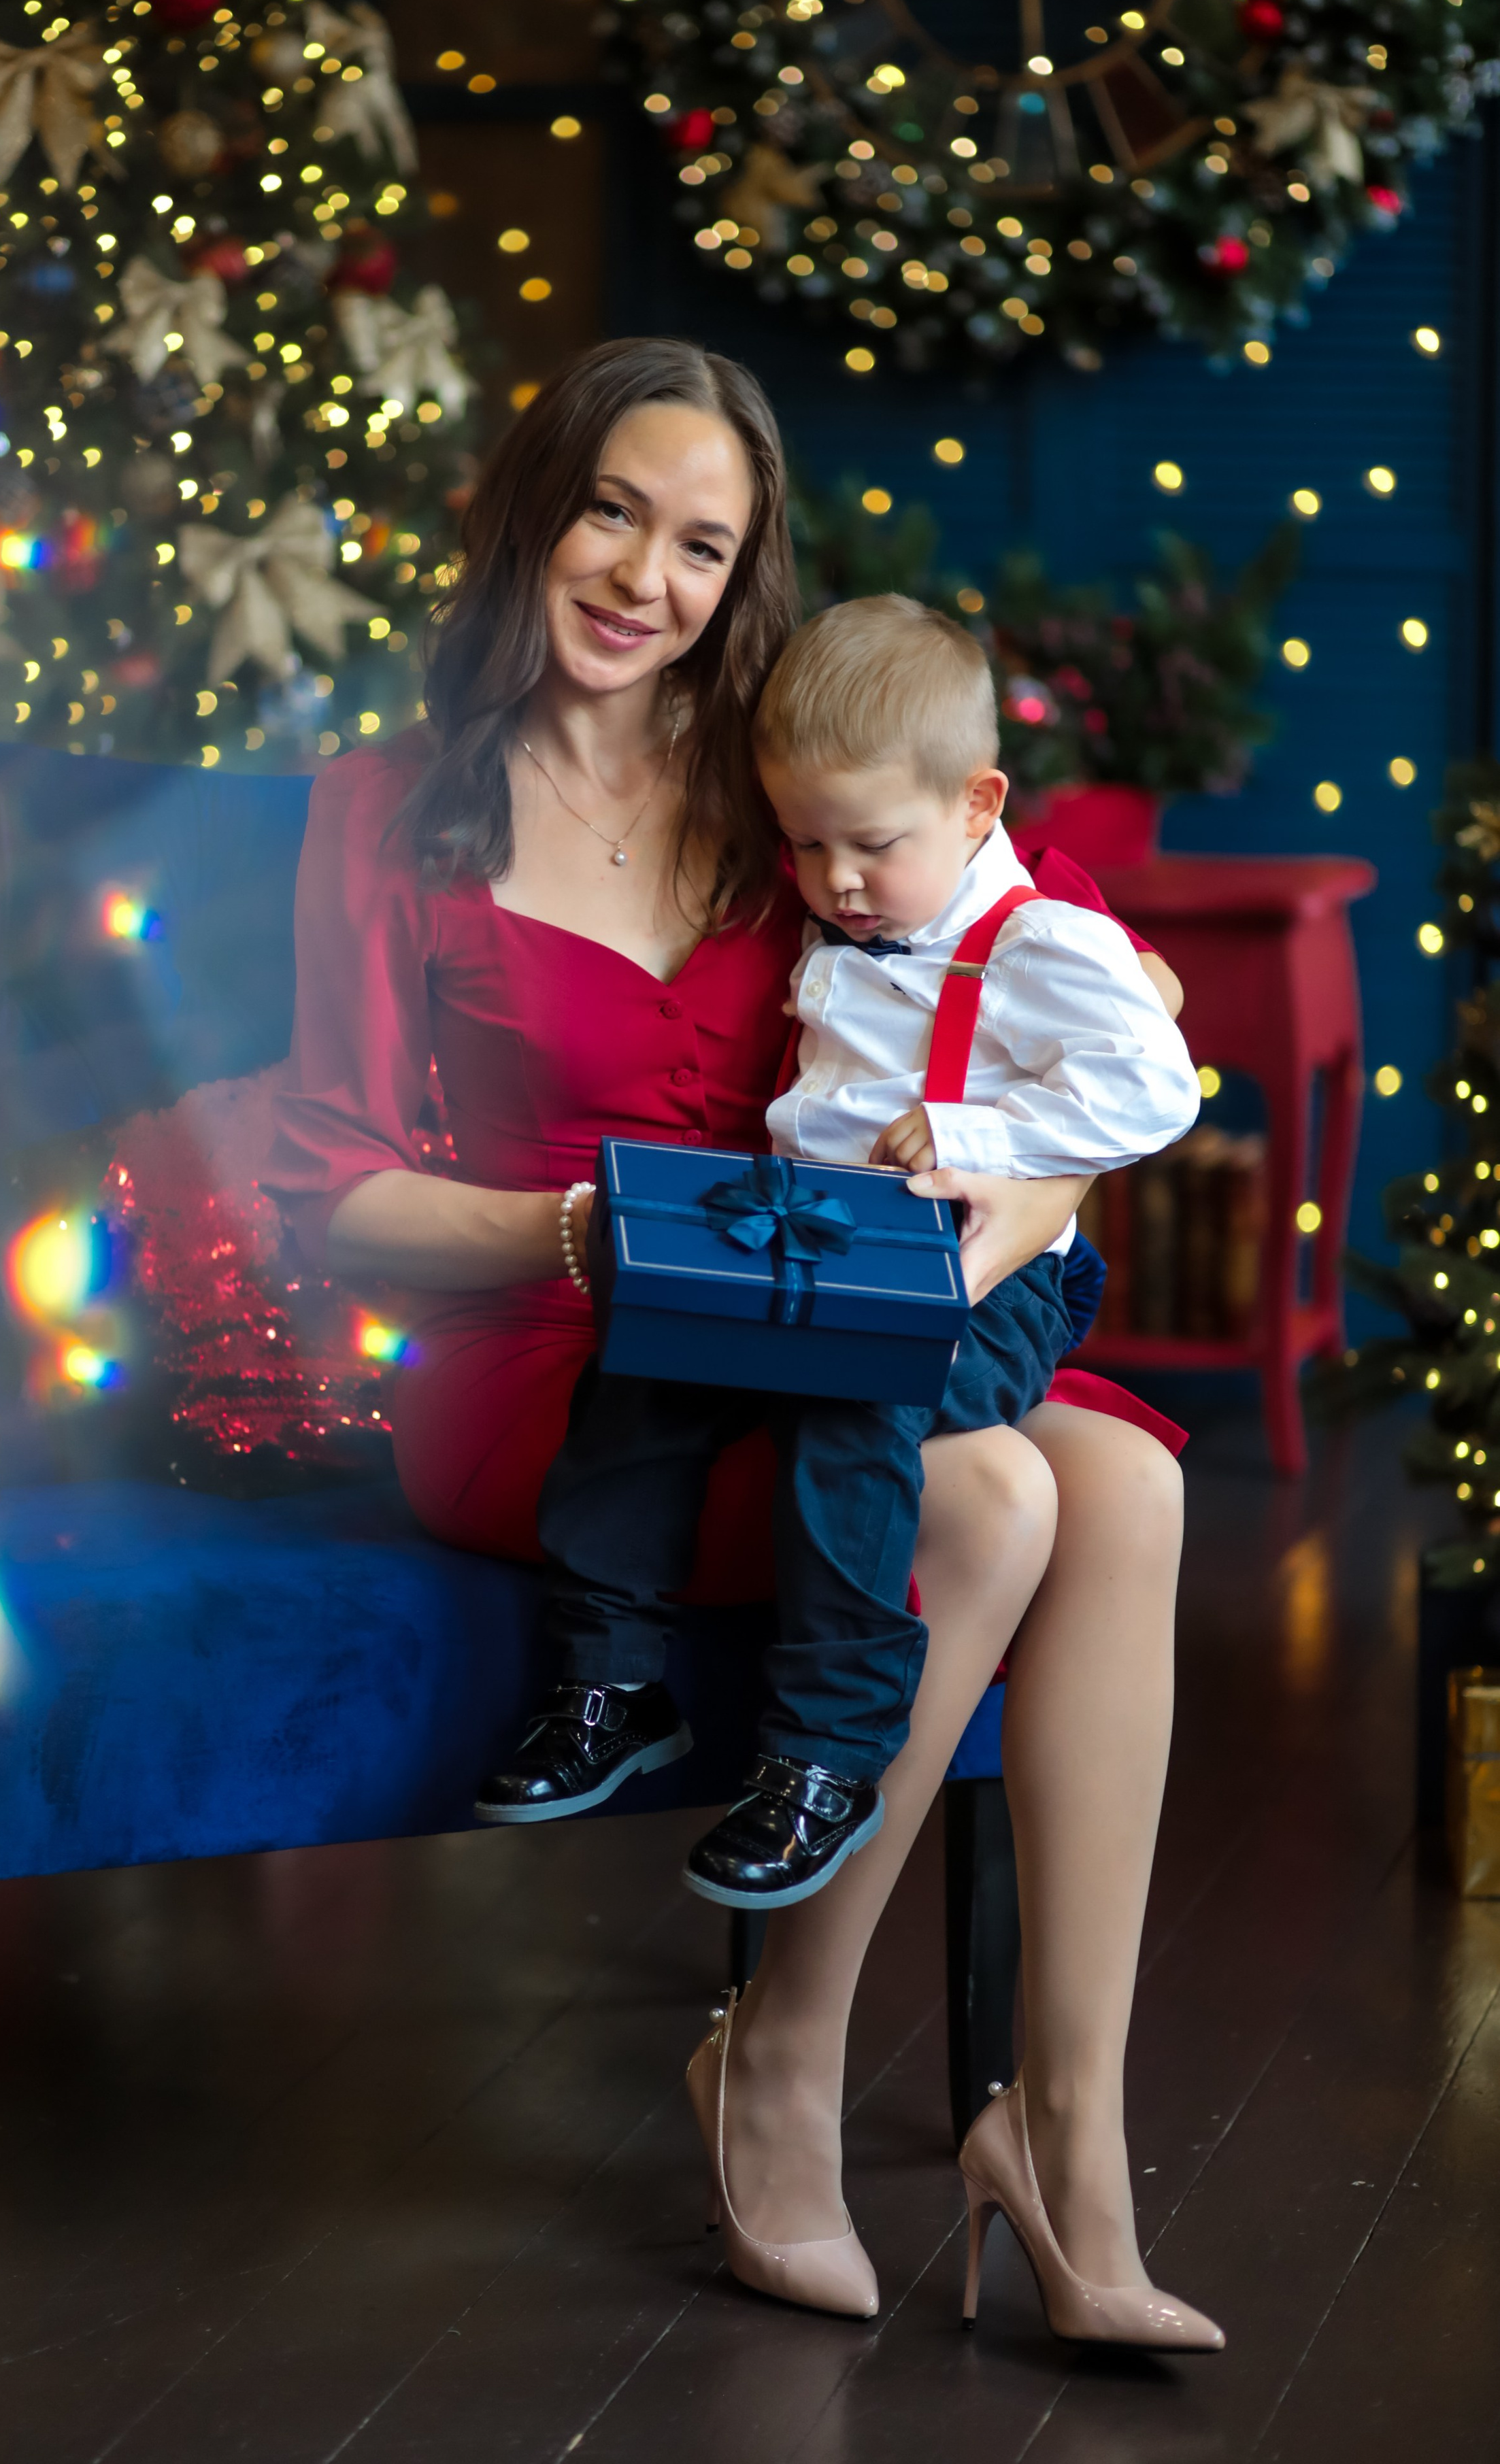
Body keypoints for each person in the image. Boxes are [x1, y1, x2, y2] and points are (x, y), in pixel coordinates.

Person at [263, 335, 1220, 2352]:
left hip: (832, 1311)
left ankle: (1064, 2134)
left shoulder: (793, 779)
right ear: (534, 510)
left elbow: (1069, 993)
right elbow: (327, 1190)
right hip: (562, 1346)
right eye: (611, 513)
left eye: (701, 545)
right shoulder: (384, 808)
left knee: (1128, 1482)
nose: (644, 577)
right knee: (984, 1496)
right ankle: (778, 2059)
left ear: (741, 575)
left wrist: (1025, 1196)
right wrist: (592, 1233)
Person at [475, 594, 1201, 1931]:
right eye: (805, 845)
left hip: (983, 1278)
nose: (836, 881)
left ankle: (827, 1752)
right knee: (646, 1368)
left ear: (977, 804)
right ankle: (610, 1681)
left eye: (871, 845)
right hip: (819, 1243)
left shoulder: (1035, 938)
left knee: (848, 1410)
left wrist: (983, 1135)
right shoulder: (848, 914)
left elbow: (1159, 1086)